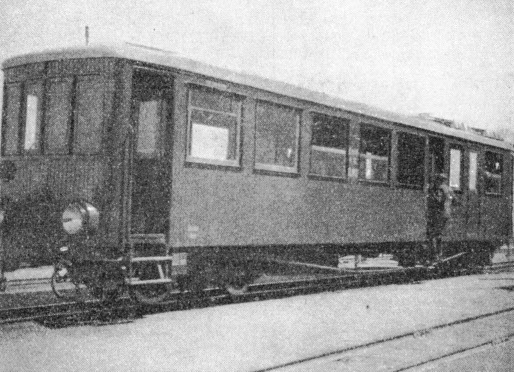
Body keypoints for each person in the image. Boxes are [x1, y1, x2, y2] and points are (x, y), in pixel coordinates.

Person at [426, 173, 453, 263]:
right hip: (446, 214)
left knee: (433, 235)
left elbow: (439, 201)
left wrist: (431, 195)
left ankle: (436, 255)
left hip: (439, 214)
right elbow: (455, 200)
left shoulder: (440, 189)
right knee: (439, 234)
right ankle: (438, 255)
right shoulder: (449, 189)